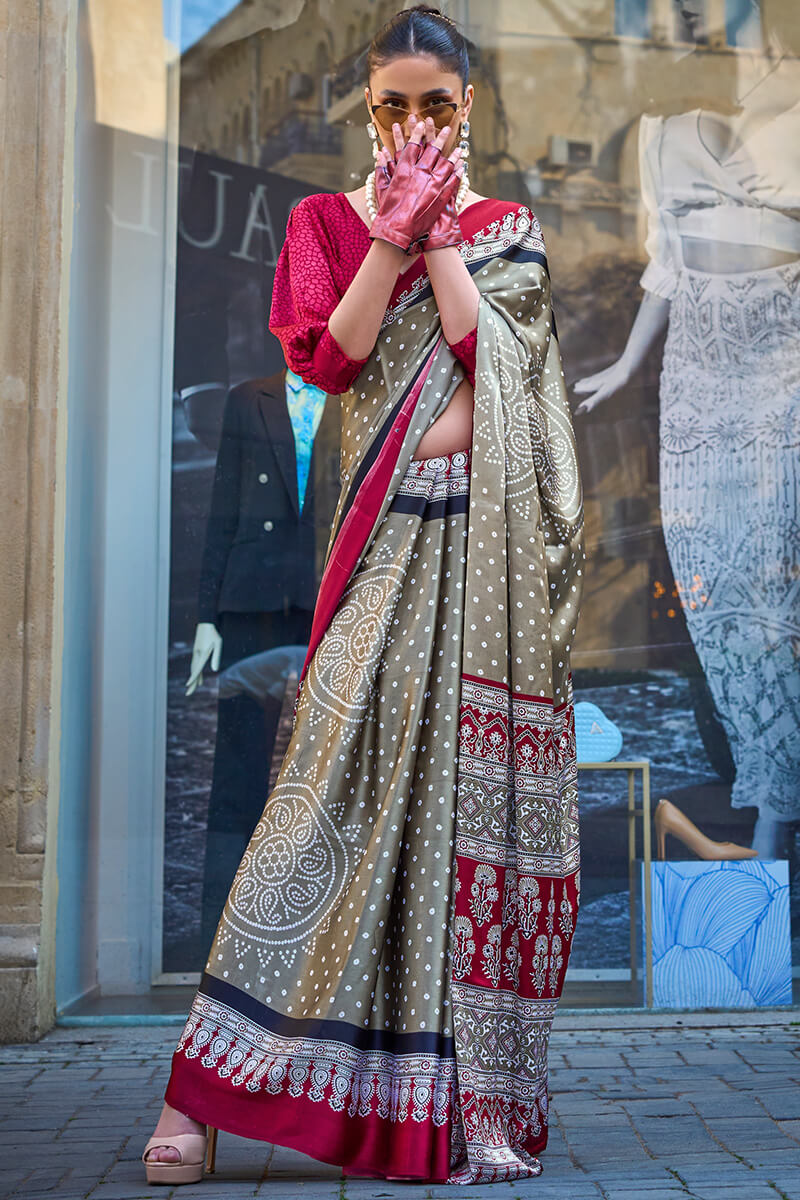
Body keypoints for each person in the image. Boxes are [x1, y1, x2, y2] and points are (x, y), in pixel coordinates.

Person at [143, 4, 585, 1186]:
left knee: (451, 830)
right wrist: (384, 234)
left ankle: (423, 1105)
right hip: (382, 549)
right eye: (388, 106)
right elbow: (328, 360)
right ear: (365, 110)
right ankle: (203, 1091)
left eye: (432, 105)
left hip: (477, 567)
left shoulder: (510, 227)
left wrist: (438, 231)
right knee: (313, 811)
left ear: (466, 109)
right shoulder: (320, 222)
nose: (409, 124)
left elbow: (497, 365)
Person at [573, 2, 800, 861]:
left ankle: (779, 812)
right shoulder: (659, 130)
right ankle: (767, 782)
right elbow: (664, 261)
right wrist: (631, 364)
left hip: (784, 355)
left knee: (775, 593)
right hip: (698, 369)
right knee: (709, 588)